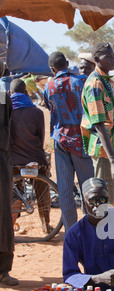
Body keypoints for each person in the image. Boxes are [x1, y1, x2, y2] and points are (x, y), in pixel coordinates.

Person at [43, 51, 94, 233]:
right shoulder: (80, 82)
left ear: (52, 69)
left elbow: (50, 108)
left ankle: (71, 234)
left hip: (60, 140)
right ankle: (90, 232)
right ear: (67, 62)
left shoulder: (48, 87)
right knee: (88, 188)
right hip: (81, 140)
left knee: (65, 191)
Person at [81, 43, 114, 207]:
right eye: (108, 56)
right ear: (96, 59)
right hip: (104, 152)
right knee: (105, 201)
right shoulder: (95, 84)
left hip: (113, 149)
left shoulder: (104, 81)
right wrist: (113, 162)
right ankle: (108, 232)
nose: (113, 60)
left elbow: (111, 118)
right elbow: (100, 125)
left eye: (113, 56)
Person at [9, 78, 51, 233]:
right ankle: (46, 225)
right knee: (43, 190)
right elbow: (41, 140)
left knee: (12, 190)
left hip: (14, 161)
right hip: (36, 159)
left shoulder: (7, 110)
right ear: (26, 93)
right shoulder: (37, 112)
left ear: (10, 93)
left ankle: (10, 224)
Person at [0, 60, 18, 286]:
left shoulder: (3, 96)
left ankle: (3, 270)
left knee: (4, 213)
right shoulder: (4, 96)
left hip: (1, 158)